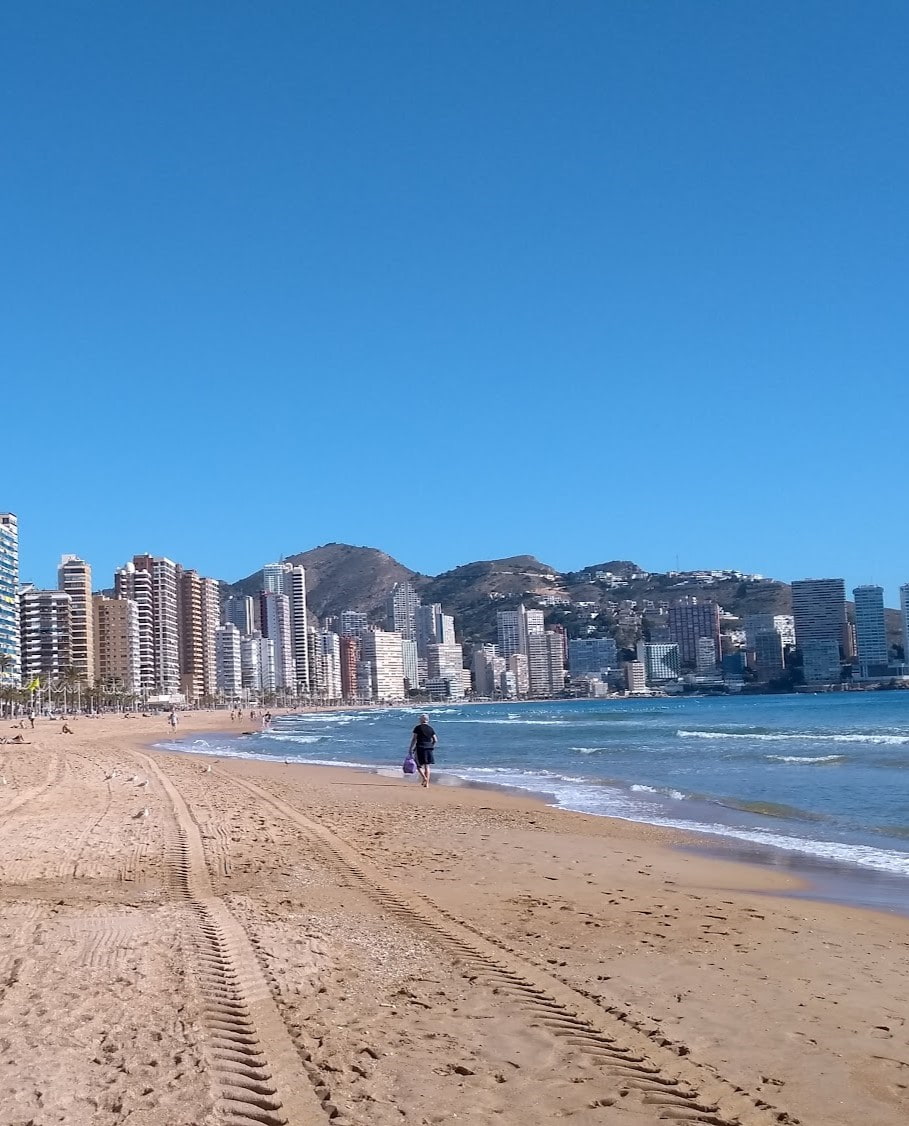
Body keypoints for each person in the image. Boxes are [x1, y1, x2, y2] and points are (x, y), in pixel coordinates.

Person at [408, 713, 437, 788]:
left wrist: (411, 748)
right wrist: (431, 746)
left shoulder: (418, 728)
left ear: (421, 720)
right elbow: (435, 740)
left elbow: (414, 739)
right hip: (428, 748)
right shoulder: (430, 728)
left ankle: (424, 778)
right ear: (427, 720)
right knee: (427, 765)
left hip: (420, 747)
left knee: (418, 765)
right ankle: (427, 784)